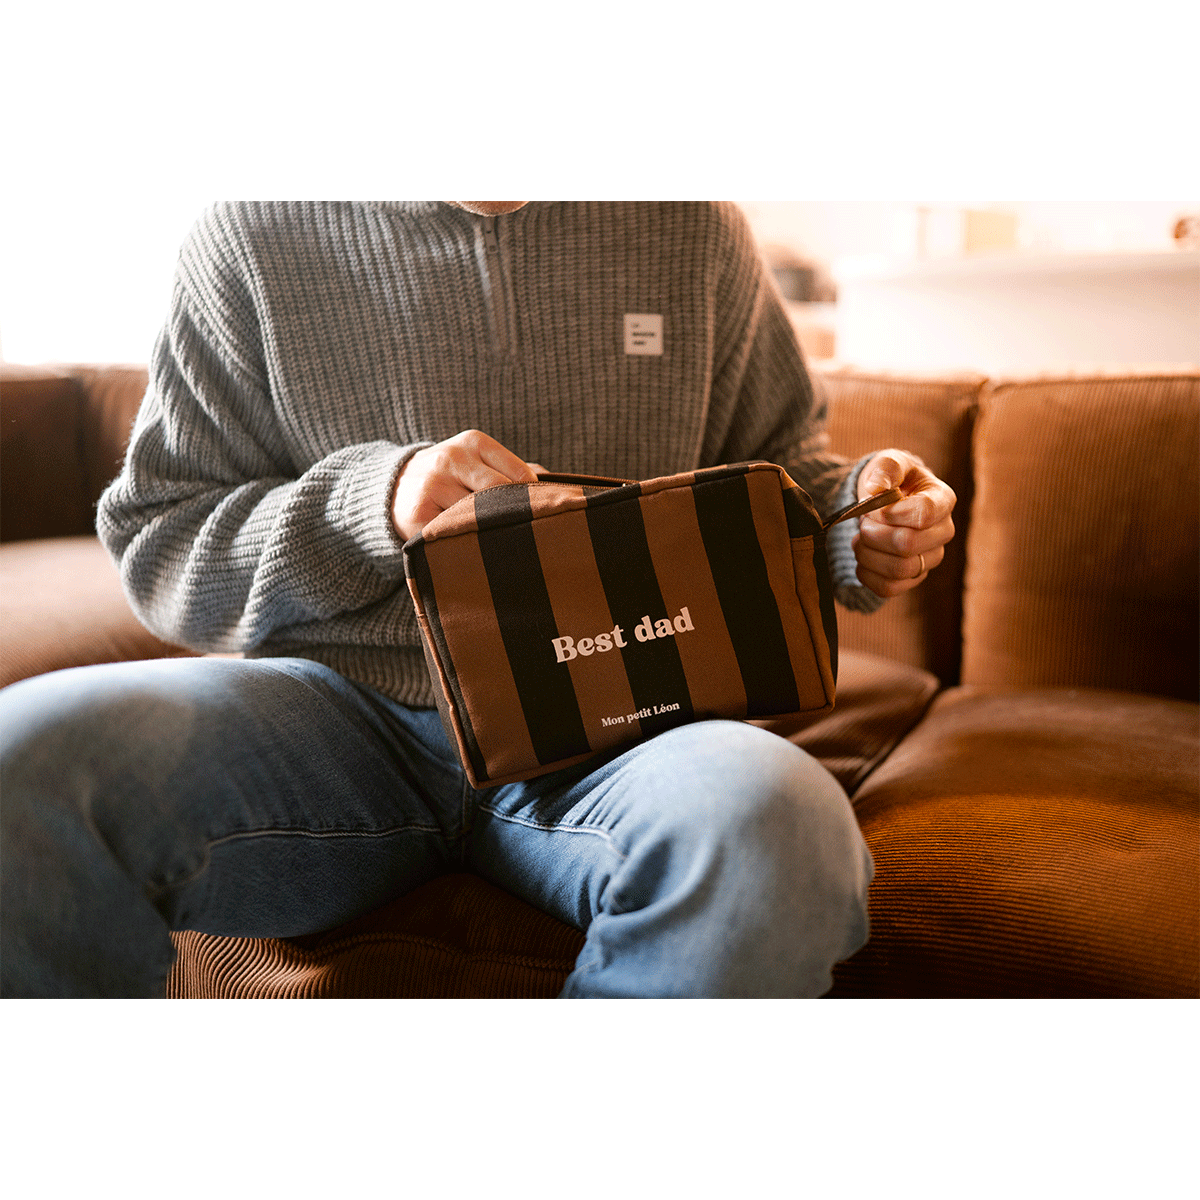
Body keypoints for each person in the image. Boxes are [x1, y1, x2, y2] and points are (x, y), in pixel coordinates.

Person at [0, 201, 955, 998]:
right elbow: (162, 543)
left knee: (776, 817)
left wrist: (862, 524)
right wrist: (374, 501)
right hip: (335, 721)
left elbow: (788, 481)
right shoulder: (252, 234)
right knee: (23, 760)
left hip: (627, 735)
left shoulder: (689, 228)